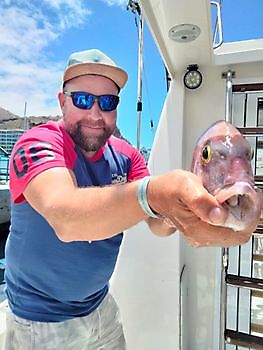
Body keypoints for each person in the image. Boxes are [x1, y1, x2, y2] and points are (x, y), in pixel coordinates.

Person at [4, 49, 250, 350]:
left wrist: (183, 209)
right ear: (62, 102)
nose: (96, 113)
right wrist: (154, 194)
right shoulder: (38, 142)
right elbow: (65, 218)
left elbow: (156, 223)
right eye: (83, 99)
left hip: (100, 306)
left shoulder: (126, 156)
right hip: (41, 321)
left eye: (107, 102)